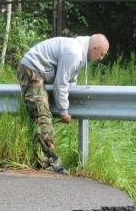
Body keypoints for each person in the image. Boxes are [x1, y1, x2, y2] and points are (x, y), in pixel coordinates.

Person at [17, 33, 109, 174]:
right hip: (32, 69)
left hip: (38, 70)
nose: (101, 58)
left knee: (42, 115)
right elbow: (61, 84)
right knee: (43, 116)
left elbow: (70, 80)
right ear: (94, 49)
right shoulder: (75, 53)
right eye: (101, 54)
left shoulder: (79, 50)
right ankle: (50, 163)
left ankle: (40, 157)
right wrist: (64, 111)